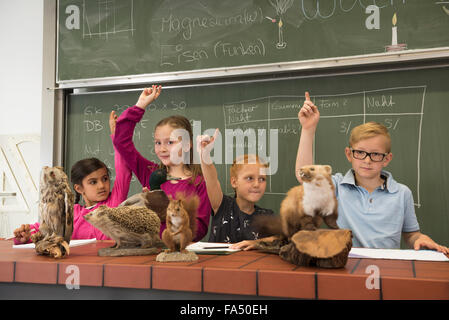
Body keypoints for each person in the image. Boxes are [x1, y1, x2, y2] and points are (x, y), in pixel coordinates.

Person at [291, 91, 447, 252]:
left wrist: (421, 239)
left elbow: (411, 235)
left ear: (387, 159)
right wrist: (308, 129)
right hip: (344, 266)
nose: (367, 160)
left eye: (375, 154)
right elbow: (304, 176)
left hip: (388, 269)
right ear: (349, 154)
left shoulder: (402, 194)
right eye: (360, 152)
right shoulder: (337, 186)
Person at [13, 111, 132, 244]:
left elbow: (124, 170)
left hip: (107, 262)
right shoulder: (71, 212)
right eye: (93, 182)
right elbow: (42, 229)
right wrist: (25, 236)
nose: (101, 185)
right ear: (79, 188)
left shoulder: (114, 203)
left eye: (104, 179)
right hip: (75, 264)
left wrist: (117, 136)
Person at [112, 85, 211, 241]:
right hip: (150, 251)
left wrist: (166, 211)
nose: (162, 149)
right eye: (158, 143)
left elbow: (200, 228)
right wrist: (140, 105)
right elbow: (121, 141)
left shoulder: (199, 182)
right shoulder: (151, 173)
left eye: (170, 142)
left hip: (180, 251)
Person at [197, 129, 275, 243]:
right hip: (218, 261)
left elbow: (280, 240)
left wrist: (256, 243)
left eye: (262, 179)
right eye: (249, 178)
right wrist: (205, 155)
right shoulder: (222, 206)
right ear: (234, 182)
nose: (257, 184)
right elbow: (212, 180)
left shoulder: (267, 217)